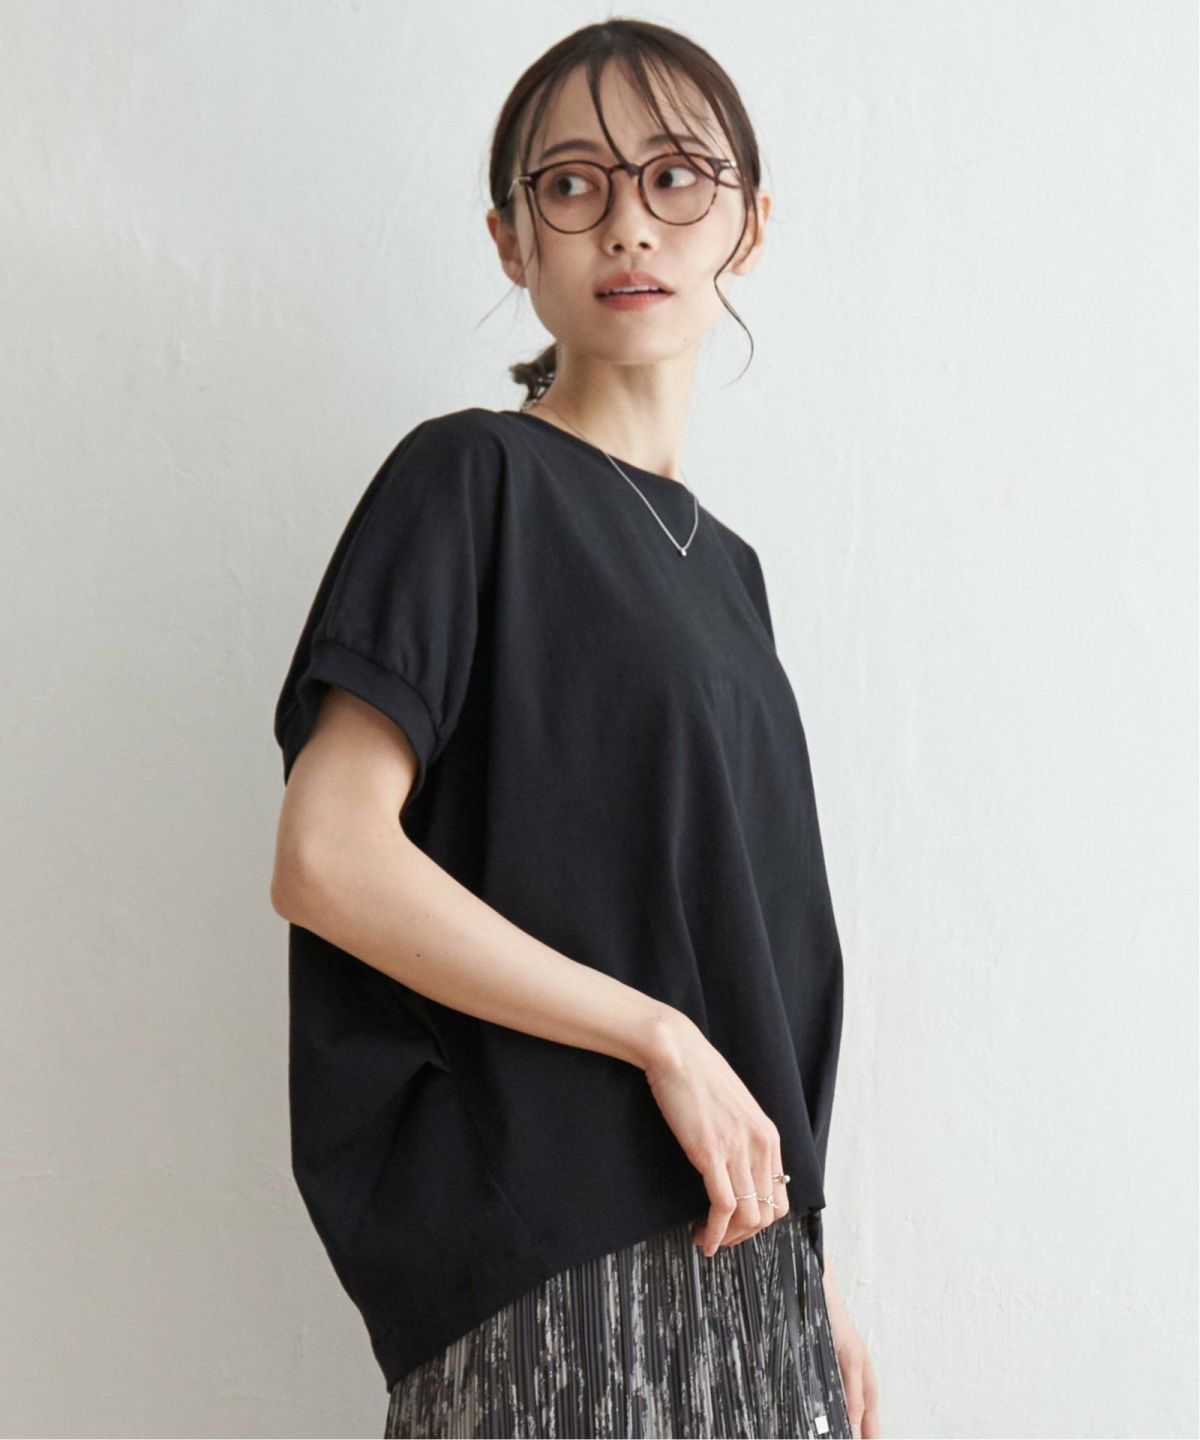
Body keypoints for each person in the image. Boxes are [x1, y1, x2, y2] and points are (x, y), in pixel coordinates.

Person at [271, 16, 880, 1440]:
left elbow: (750, 946)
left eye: (675, 176)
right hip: (555, 1265)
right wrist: (659, 1037)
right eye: (570, 184)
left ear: (749, 223)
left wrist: (808, 1261)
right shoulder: (468, 479)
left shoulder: (732, 575)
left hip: (744, 1260)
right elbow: (326, 855)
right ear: (510, 240)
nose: (628, 223)